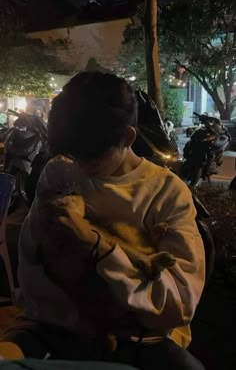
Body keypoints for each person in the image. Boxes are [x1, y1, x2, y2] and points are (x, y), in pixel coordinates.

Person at [0, 72, 205, 369]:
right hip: (53, 329)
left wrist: (94, 245)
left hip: (136, 339)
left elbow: (178, 304)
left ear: (127, 137)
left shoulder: (166, 193)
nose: (80, 166)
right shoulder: (60, 171)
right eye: (72, 155)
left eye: (92, 158)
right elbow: (34, 270)